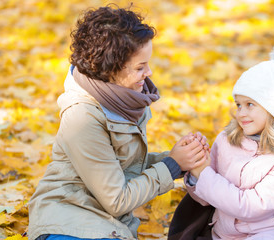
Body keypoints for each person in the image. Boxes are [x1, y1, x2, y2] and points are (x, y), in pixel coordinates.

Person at [27, 4, 208, 240]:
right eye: (140, 67)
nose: (149, 72)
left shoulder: (125, 100)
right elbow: (117, 199)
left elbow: (122, 168)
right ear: (110, 68)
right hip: (68, 221)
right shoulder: (82, 117)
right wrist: (171, 165)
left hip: (106, 224)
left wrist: (179, 160)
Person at [183, 44, 274, 239]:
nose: (241, 113)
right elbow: (205, 198)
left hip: (273, 232)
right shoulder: (226, 140)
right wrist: (196, 171)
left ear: (273, 109)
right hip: (224, 233)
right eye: (238, 104)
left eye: (250, 105)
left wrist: (204, 174)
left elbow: (248, 206)